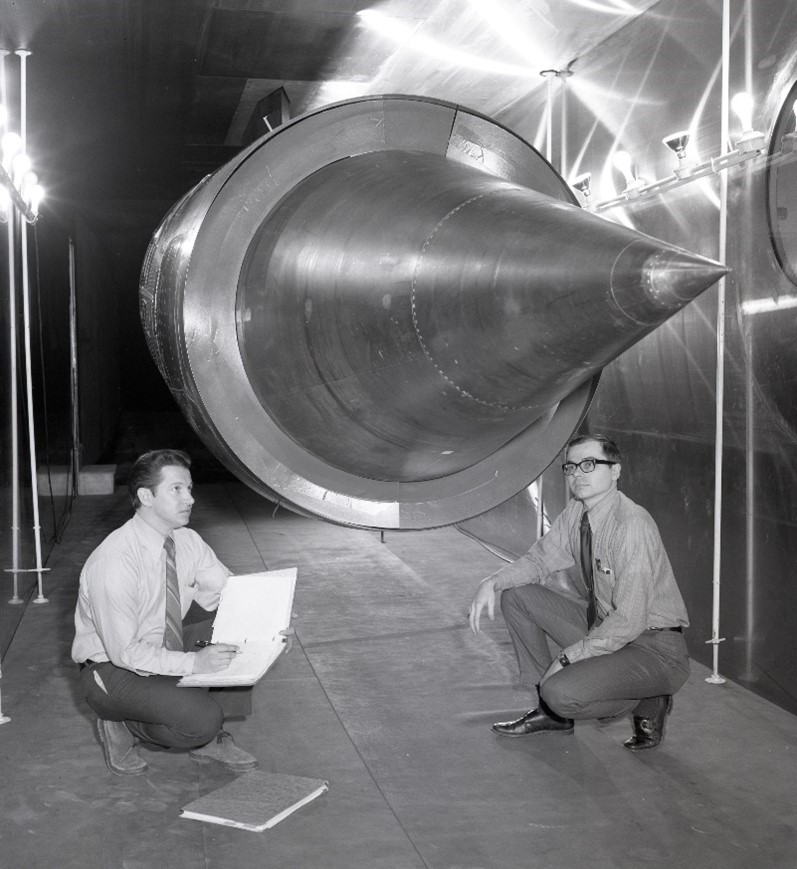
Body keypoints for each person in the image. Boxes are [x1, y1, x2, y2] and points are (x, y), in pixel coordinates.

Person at [468, 434, 690, 750]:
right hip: (606, 627)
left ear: (615, 471)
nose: (577, 474)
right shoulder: (577, 512)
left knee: (561, 693)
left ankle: (645, 695)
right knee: (517, 596)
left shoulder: (631, 525)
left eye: (589, 464)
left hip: (654, 646)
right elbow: (540, 559)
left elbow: (629, 620)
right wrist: (492, 581)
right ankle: (552, 716)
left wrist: (568, 657)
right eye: (571, 467)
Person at [73, 448, 273, 776]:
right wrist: (195, 662)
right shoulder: (114, 562)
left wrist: (271, 624)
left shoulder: (187, 541)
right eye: (176, 489)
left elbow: (232, 594)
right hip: (111, 669)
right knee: (200, 720)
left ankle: (210, 740)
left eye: (190, 488)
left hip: (160, 647)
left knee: (241, 631)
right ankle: (125, 726)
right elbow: (126, 653)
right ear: (145, 497)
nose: (189, 498)